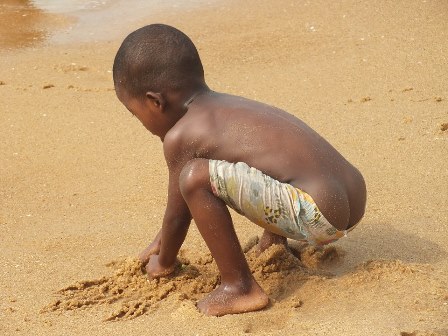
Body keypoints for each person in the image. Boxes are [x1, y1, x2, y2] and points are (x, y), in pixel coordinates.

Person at [112, 24, 366, 316]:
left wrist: (163, 261)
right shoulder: (226, 106)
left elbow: (178, 213)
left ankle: (239, 287)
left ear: (155, 102)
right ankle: (275, 239)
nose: (140, 122)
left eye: (135, 114)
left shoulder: (180, 136)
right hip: (353, 196)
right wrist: (158, 241)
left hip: (318, 215)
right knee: (249, 163)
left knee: (194, 177)